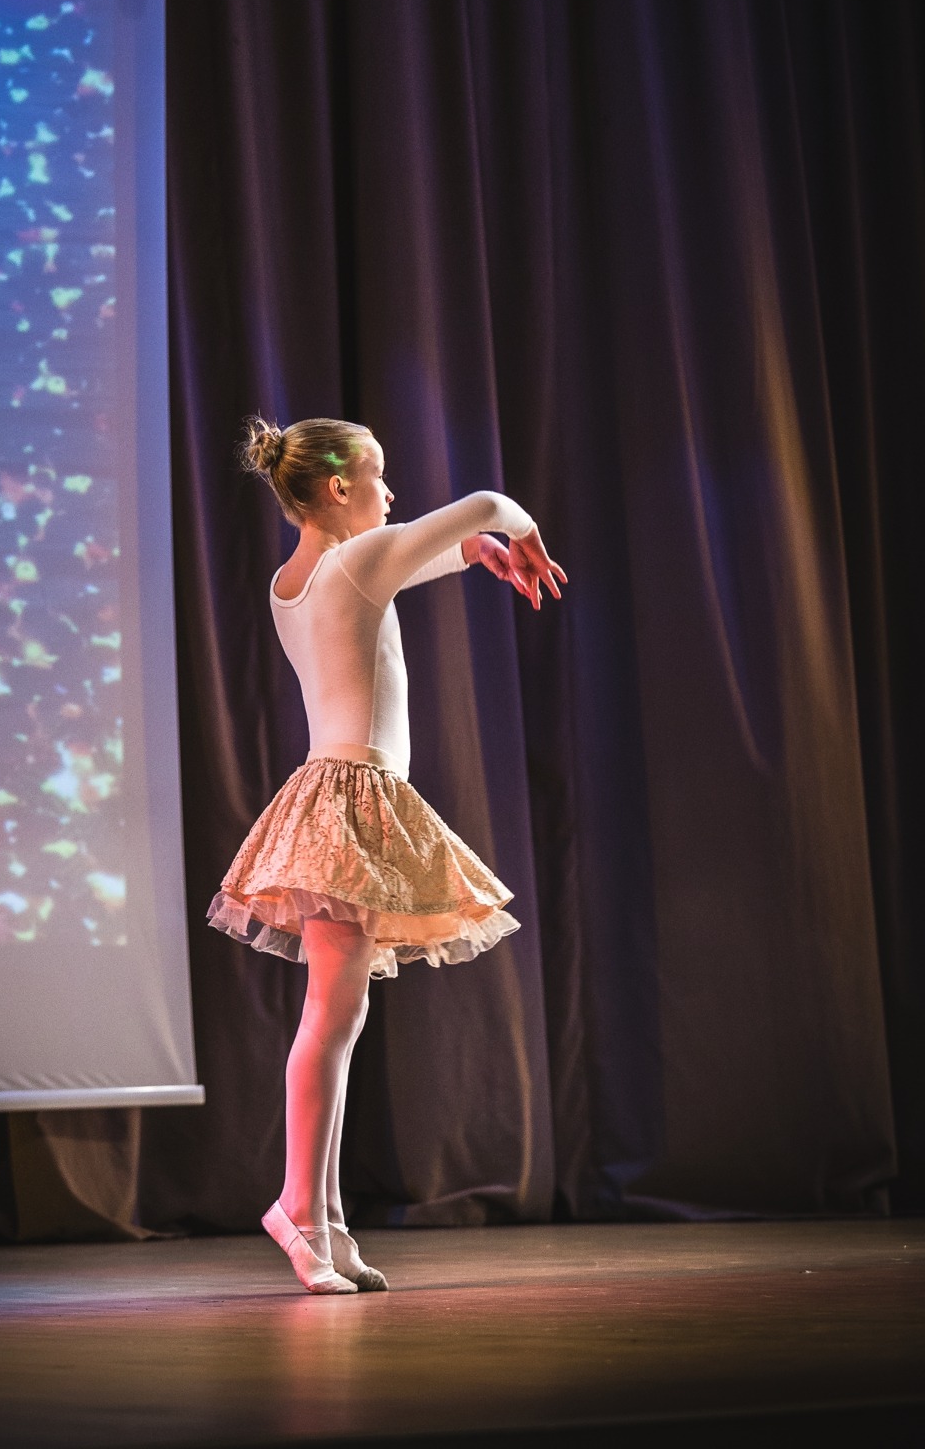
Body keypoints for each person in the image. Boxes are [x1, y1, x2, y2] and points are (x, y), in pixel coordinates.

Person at [207, 416, 567, 1295]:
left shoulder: (295, 579)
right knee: (330, 1017)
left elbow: (406, 564)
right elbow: (486, 500)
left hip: (333, 794)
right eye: (380, 477)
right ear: (339, 488)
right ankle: (297, 1209)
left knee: (341, 1014)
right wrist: (516, 532)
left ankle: (326, 1214)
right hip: (351, 796)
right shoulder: (359, 562)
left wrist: (476, 555)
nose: (393, 493)